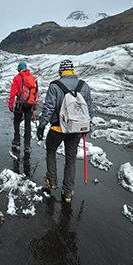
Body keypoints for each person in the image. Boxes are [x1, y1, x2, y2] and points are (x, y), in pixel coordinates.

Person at [36, 60, 93, 203]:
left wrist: (41, 126)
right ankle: (68, 193)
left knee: (51, 151)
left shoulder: (55, 86)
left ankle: (52, 181)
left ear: (61, 71)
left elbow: (48, 109)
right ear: (72, 71)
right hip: (76, 130)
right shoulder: (84, 86)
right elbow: (89, 111)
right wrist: (86, 128)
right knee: (71, 159)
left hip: (57, 128)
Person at [8, 61, 36, 153]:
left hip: (19, 104)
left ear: (19, 69)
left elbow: (13, 93)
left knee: (16, 122)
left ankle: (17, 140)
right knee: (27, 124)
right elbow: (36, 93)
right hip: (29, 104)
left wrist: (11, 104)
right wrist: (34, 104)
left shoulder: (17, 78)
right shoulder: (32, 78)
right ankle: (27, 145)